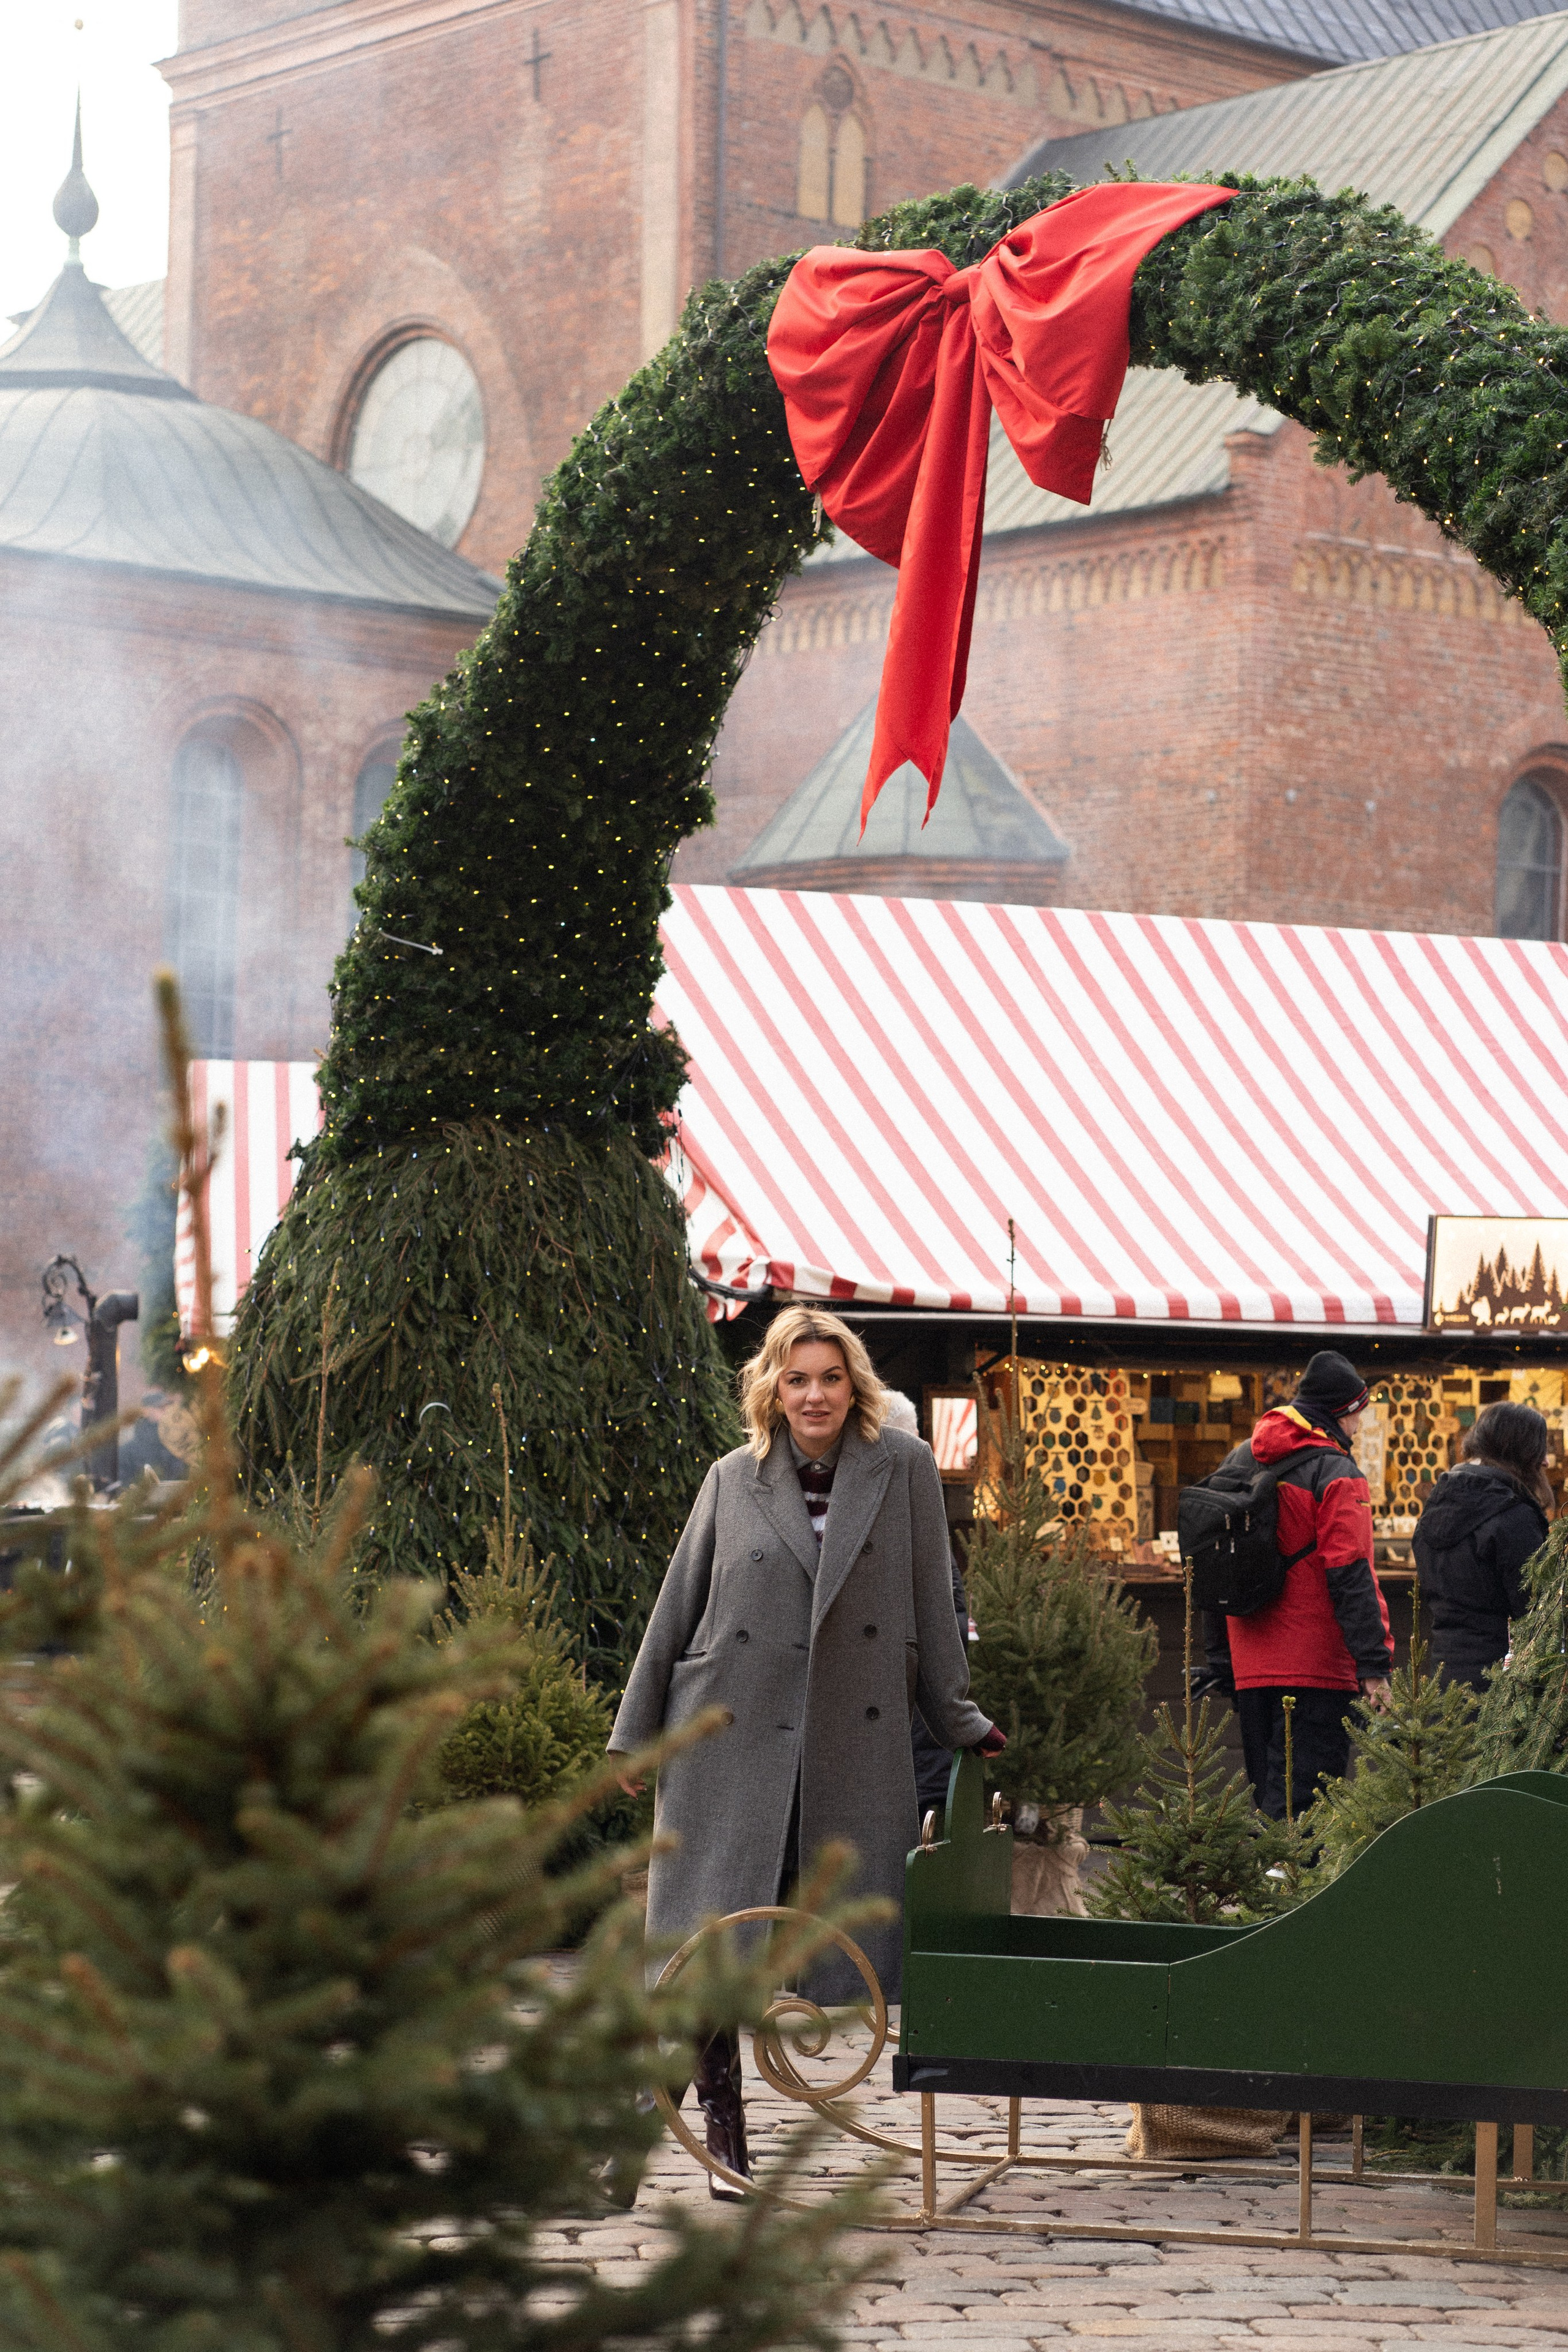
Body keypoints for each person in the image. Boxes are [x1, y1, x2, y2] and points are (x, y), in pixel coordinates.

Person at [608, 1305, 1002, 2196]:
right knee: (716, 1942)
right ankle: (726, 2147)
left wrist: (960, 1717)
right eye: (796, 1379)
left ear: (854, 1386)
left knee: (801, 1946)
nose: (814, 1395)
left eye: (829, 1377)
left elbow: (932, 1603)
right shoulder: (730, 1477)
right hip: (726, 1739)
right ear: (772, 1390)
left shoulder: (900, 1468)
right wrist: (634, 1736)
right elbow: (677, 1609)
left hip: (841, 1746)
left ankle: (639, 2129)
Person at [1217, 1351, 1394, 1820]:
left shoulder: (1241, 1458)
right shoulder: (1337, 1473)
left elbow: (1210, 1554)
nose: (1359, 1426)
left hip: (1251, 1662)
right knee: (1308, 1813)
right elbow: (1351, 1572)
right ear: (1341, 1412)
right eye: (1358, 1414)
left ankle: (1272, 1890)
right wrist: (1374, 1664)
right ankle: (1295, 1894)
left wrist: (1220, 1656)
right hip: (1316, 1665)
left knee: (1274, 1803)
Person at [879, 1388, 972, 1826]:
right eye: (914, 1438)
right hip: (909, 1717)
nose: (923, 1451)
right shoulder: (897, 1510)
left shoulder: (907, 1507)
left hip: (919, 1719)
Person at [1413, 1400, 1551, 1691]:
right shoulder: (1513, 1515)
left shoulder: (1435, 1505)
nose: (1547, 1462)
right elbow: (1538, 1614)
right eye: (1540, 1451)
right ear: (1520, 1451)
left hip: (1442, 1678)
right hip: (1500, 1688)